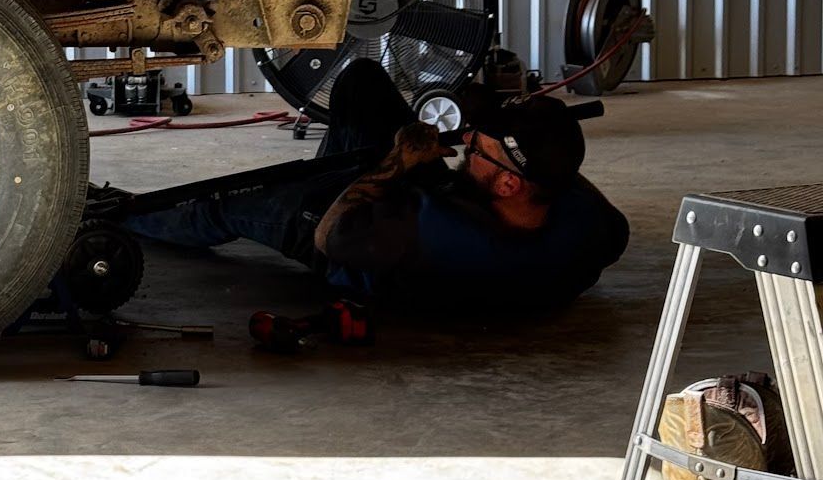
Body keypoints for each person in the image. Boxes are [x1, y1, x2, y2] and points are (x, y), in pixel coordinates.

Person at [125, 58, 630, 313]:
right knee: (362, 80)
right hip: (420, 196)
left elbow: (333, 236)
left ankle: (121, 213)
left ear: (506, 186)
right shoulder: (590, 226)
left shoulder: (446, 238)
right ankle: (334, 171)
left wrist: (397, 160)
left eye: (478, 147)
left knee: (221, 205)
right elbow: (560, 172)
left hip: (342, 229)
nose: (469, 139)